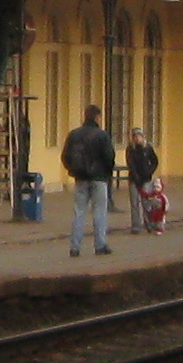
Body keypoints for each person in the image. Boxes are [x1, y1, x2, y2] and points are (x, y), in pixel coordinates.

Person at [62, 103, 117, 257]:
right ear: (97, 117)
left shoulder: (74, 135)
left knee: (79, 212)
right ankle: (100, 245)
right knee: (99, 212)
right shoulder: (102, 135)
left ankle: (75, 247)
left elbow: (65, 156)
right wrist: (106, 172)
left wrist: (72, 171)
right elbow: (109, 157)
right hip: (99, 179)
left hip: (80, 179)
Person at [124, 125, 159, 232]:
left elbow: (154, 161)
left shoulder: (147, 148)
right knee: (134, 203)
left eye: (139, 136)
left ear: (143, 137)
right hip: (134, 179)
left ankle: (149, 223)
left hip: (146, 179)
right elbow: (131, 164)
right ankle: (136, 225)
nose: (137, 138)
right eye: (135, 136)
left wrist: (150, 170)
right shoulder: (130, 149)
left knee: (147, 202)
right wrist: (135, 176)